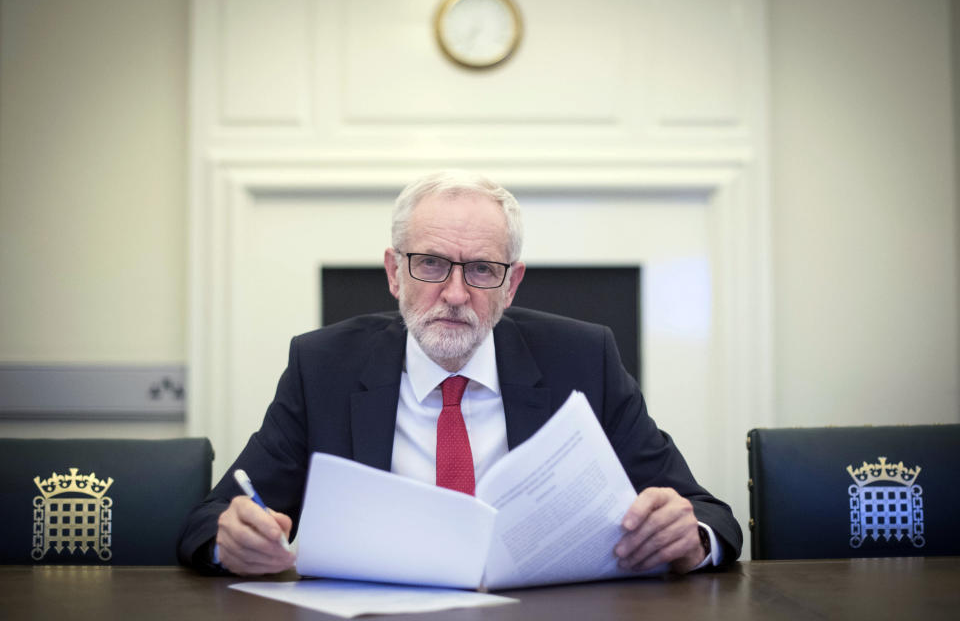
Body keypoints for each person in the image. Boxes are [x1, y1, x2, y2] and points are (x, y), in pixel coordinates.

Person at [177, 170, 742, 577]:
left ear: (512, 284)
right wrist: (233, 542)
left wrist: (691, 538)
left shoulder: (583, 358)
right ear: (394, 272)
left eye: (480, 270)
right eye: (430, 264)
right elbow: (209, 520)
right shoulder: (323, 366)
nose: (453, 293)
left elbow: (710, 514)